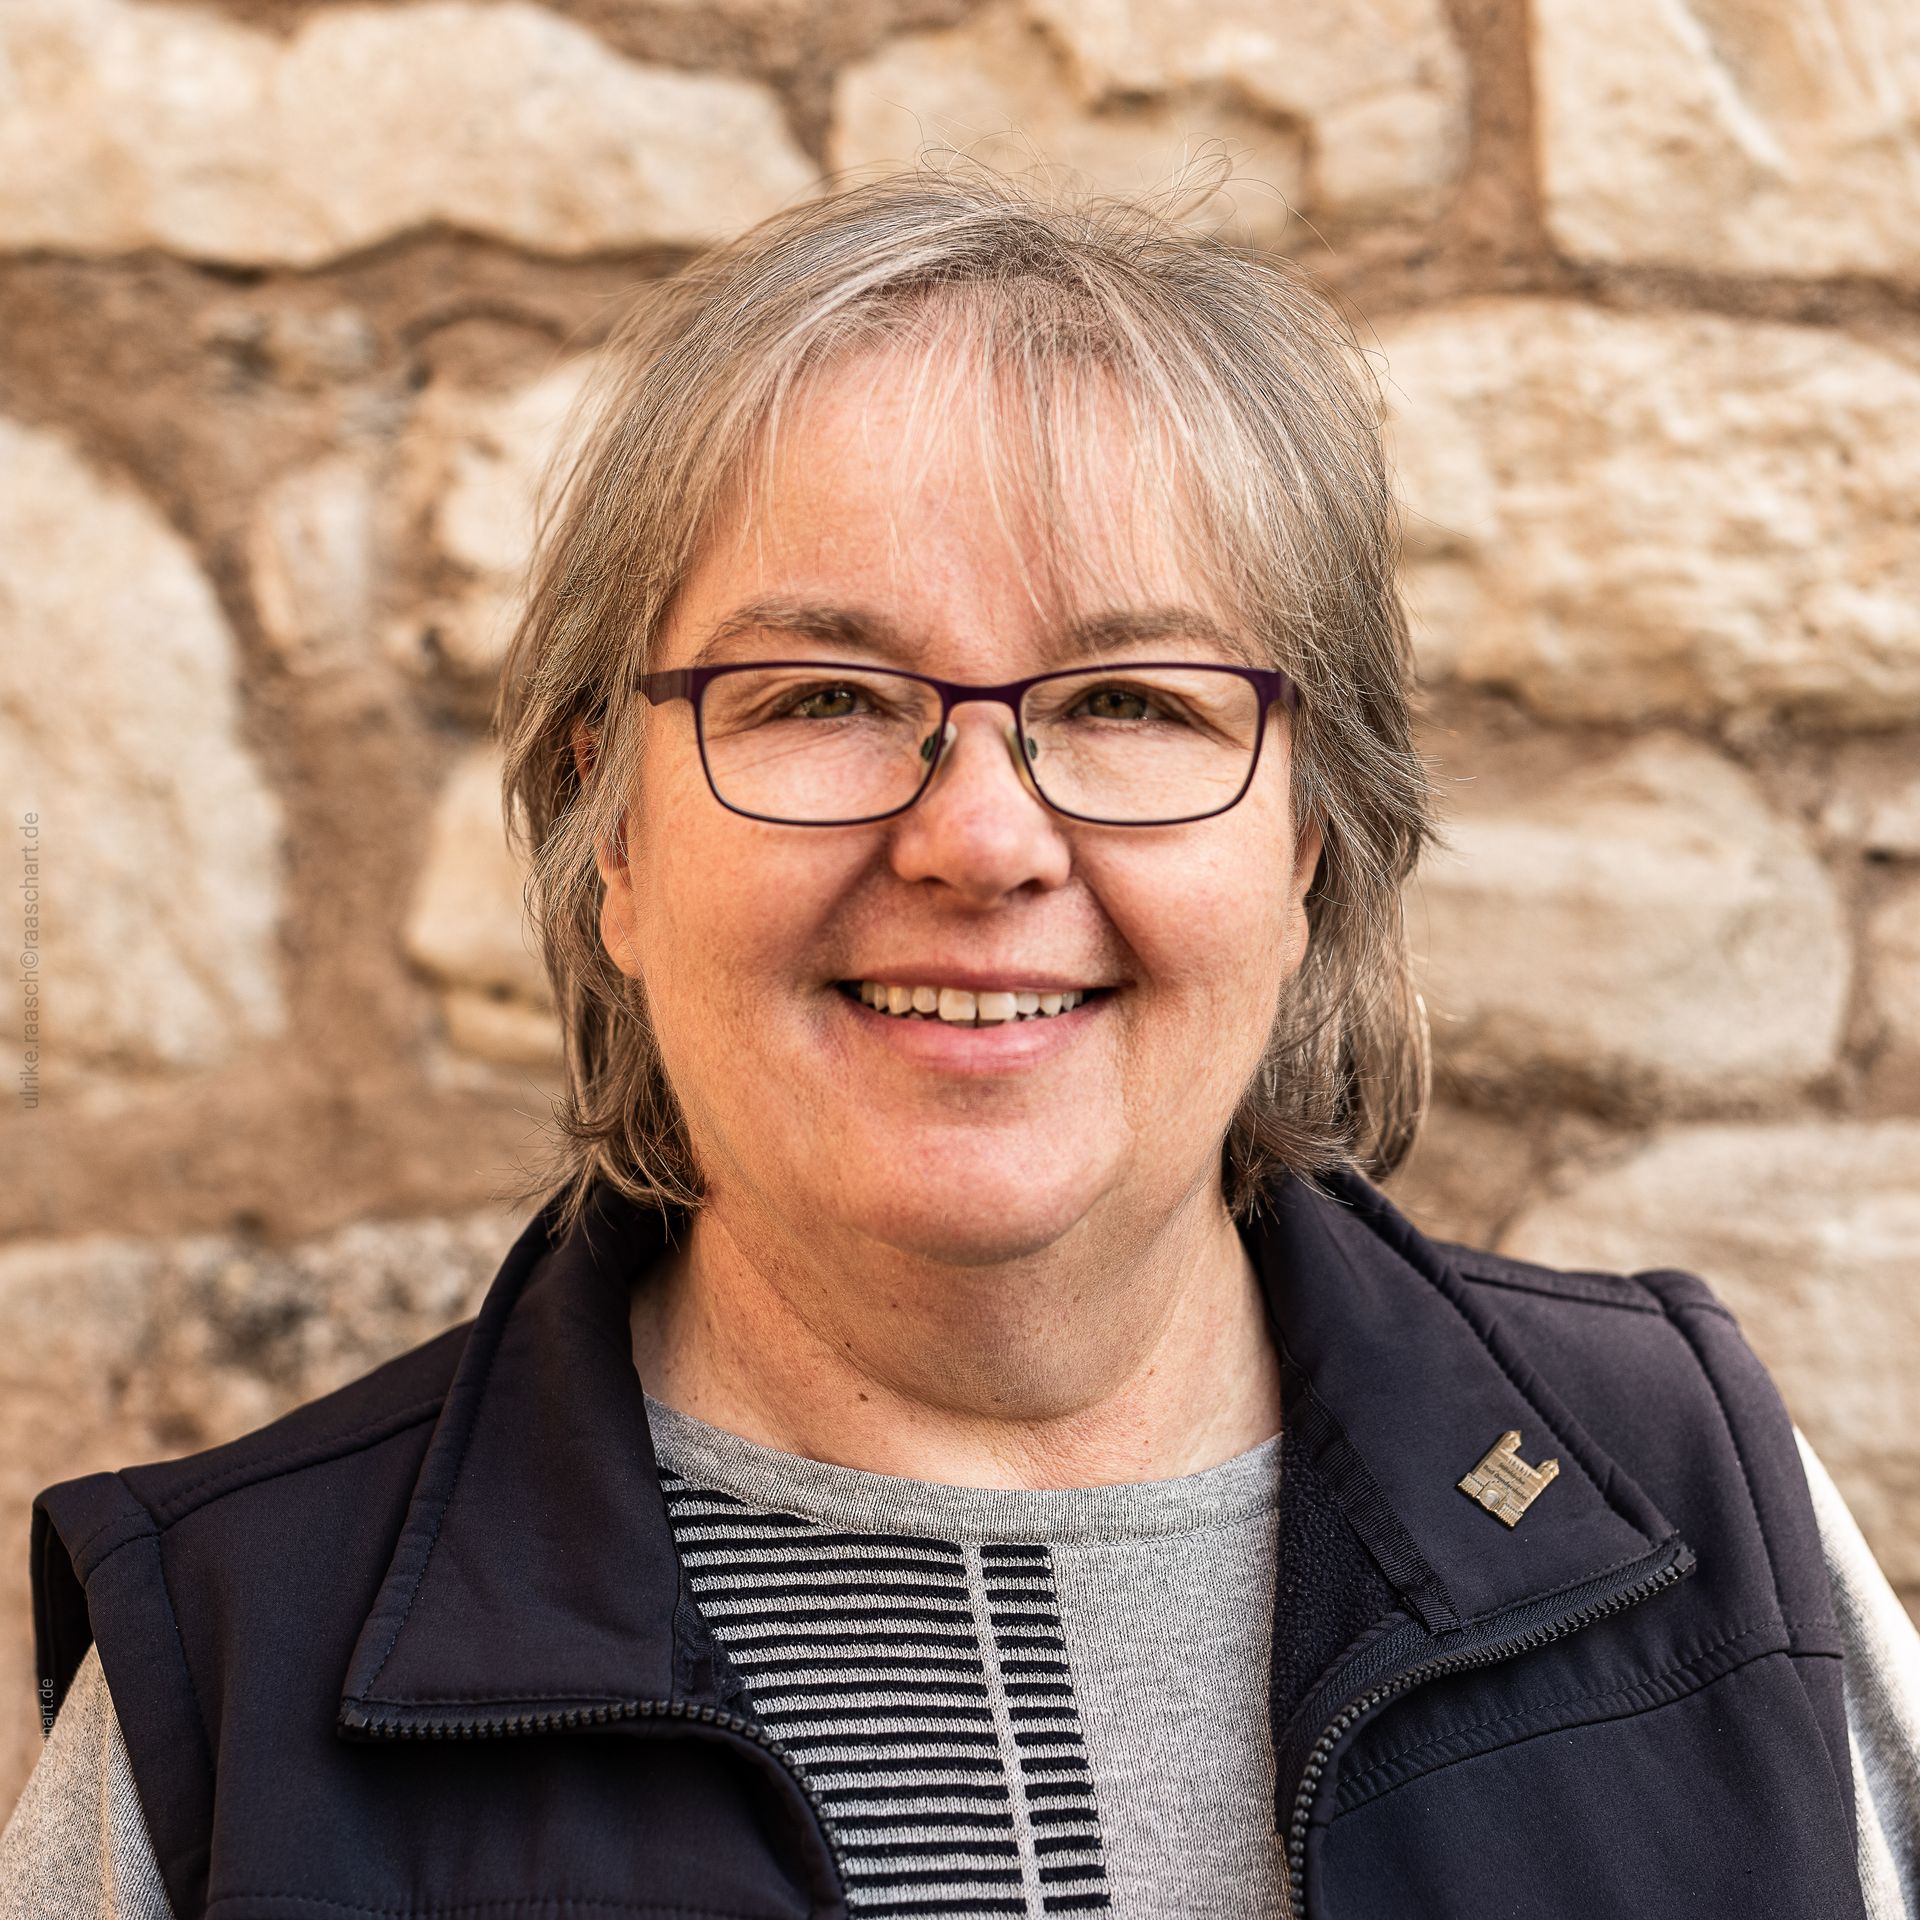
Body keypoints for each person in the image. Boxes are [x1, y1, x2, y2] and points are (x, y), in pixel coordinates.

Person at [4, 161, 1918, 1920]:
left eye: (1133, 702)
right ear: (611, 844)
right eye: (824, 692)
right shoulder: (244, 1677)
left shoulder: (1696, 1519)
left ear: (1309, 844)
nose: (983, 839)